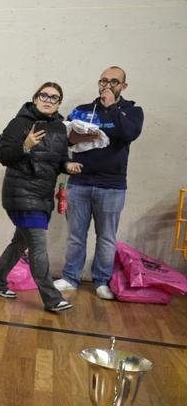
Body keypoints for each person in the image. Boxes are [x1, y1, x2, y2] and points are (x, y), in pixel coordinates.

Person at [0, 83, 81, 312]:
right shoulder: (19, 123)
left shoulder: (59, 128)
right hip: (21, 194)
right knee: (37, 244)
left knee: (20, 243)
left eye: (54, 97)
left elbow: (59, 160)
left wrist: (69, 165)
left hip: (43, 196)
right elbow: (5, 156)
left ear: (58, 103)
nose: (48, 99)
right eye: (44, 95)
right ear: (35, 98)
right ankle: (52, 298)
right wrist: (25, 146)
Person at [55, 67, 144, 300]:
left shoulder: (131, 111)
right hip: (79, 182)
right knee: (75, 235)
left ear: (123, 86)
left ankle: (102, 281)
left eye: (114, 81)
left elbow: (129, 134)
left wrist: (112, 107)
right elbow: (65, 138)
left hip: (112, 186)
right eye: (104, 80)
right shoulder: (82, 110)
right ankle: (70, 277)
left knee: (106, 237)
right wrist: (81, 136)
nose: (107, 85)